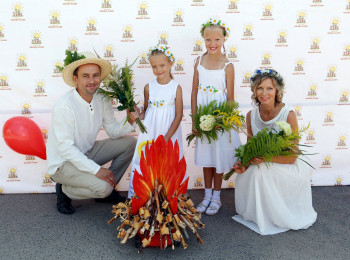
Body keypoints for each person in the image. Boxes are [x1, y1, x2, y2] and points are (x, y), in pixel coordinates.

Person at [47, 51, 138, 214]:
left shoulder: (102, 97)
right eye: (85, 76)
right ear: (75, 79)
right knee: (103, 187)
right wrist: (97, 170)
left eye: (95, 75)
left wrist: (131, 120)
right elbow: (66, 149)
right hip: (63, 163)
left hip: (86, 152)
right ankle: (65, 190)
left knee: (129, 143)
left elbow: (114, 131)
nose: (92, 81)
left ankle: (107, 191)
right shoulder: (64, 106)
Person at [232, 69, 317, 235]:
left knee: (260, 170)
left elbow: (292, 156)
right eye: (260, 88)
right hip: (263, 160)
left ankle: (275, 216)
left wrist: (265, 158)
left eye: (269, 88)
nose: (264, 93)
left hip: (286, 162)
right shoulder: (251, 115)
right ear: (254, 91)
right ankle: (258, 215)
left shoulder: (288, 114)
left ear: (277, 90)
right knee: (248, 172)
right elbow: (250, 148)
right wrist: (244, 163)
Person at [191, 19, 241, 215]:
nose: (212, 43)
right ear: (203, 39)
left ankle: (217, 197)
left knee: (217, 157)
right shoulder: (198, 61)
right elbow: (194, 92)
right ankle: (206, 195)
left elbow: (230, 98)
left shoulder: (228, 66)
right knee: (206, 157)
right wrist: (196, 118)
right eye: (208, 39)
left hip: (219, 118)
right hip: (203, 116)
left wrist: (223, 120)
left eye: (217, 39)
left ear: (224, 39)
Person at [127, 44, 183, 198]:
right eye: (154, 66)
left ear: (171, 64)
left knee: (167, 163)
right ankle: (141, 197)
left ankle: (166, 199)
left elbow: (178, 115)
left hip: (168, 132)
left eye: (162, 65)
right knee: (145, 160)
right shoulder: (148, 87)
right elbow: (147, 110)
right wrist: (137, 115)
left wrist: (167, 138)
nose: (159, 70)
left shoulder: (176, 87)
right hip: (151, 130)